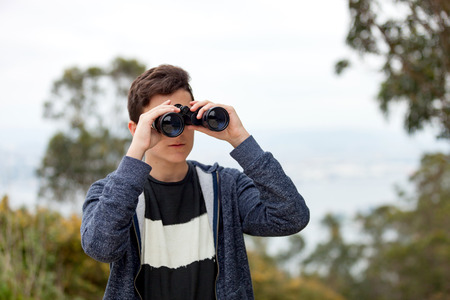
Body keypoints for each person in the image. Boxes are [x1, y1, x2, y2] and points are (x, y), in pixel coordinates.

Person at [80, 64, 310, 300]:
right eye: (164, 120)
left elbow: (291, 217)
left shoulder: (225, 186)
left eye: (182, 118)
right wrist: (136, 150)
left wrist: (240, 138)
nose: (178, 132)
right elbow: (101, 247)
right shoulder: (111, 194)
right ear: (135, 129)